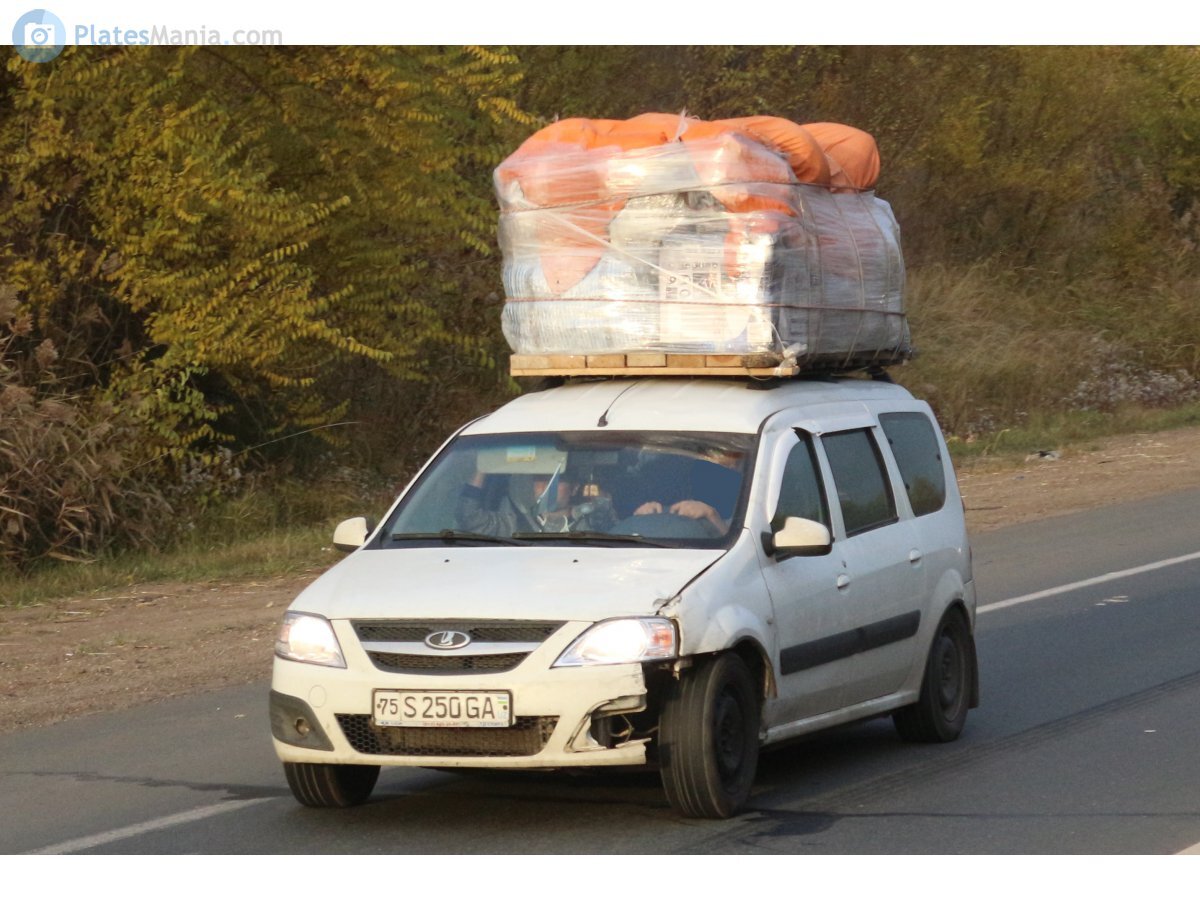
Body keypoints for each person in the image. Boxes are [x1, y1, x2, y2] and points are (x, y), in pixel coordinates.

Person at [456, 468, 617, 537]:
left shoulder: (593, 521)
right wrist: (483, 467)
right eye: (539, 479)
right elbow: (468, 517)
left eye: (556, 480)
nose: (545, 485)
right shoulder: (513, 524)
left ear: (574, 488)